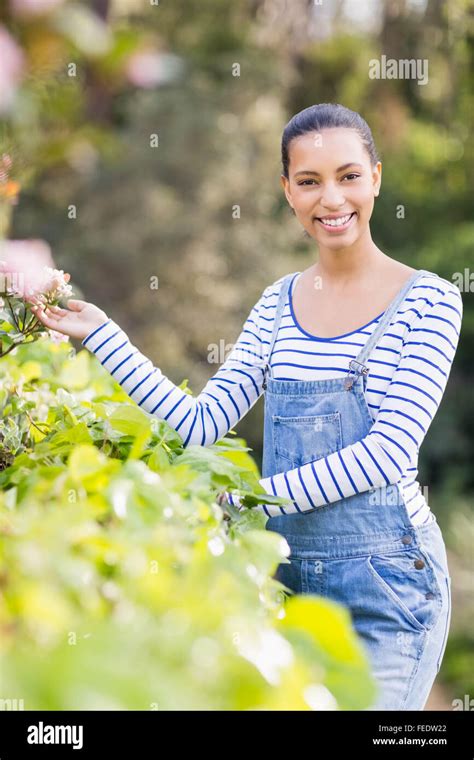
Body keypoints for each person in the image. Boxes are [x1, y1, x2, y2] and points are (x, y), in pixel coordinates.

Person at [32, 103, 463, 710]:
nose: (331, 199)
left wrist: (247, 499)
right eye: (309, 182)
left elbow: (386, 455)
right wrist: (103, 335)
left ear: (376, 178)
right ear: (287, 192)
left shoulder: (430, 302)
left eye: (348, 176)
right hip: (287, 586)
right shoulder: (277, 303)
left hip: (388, 591)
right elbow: (200, 424)